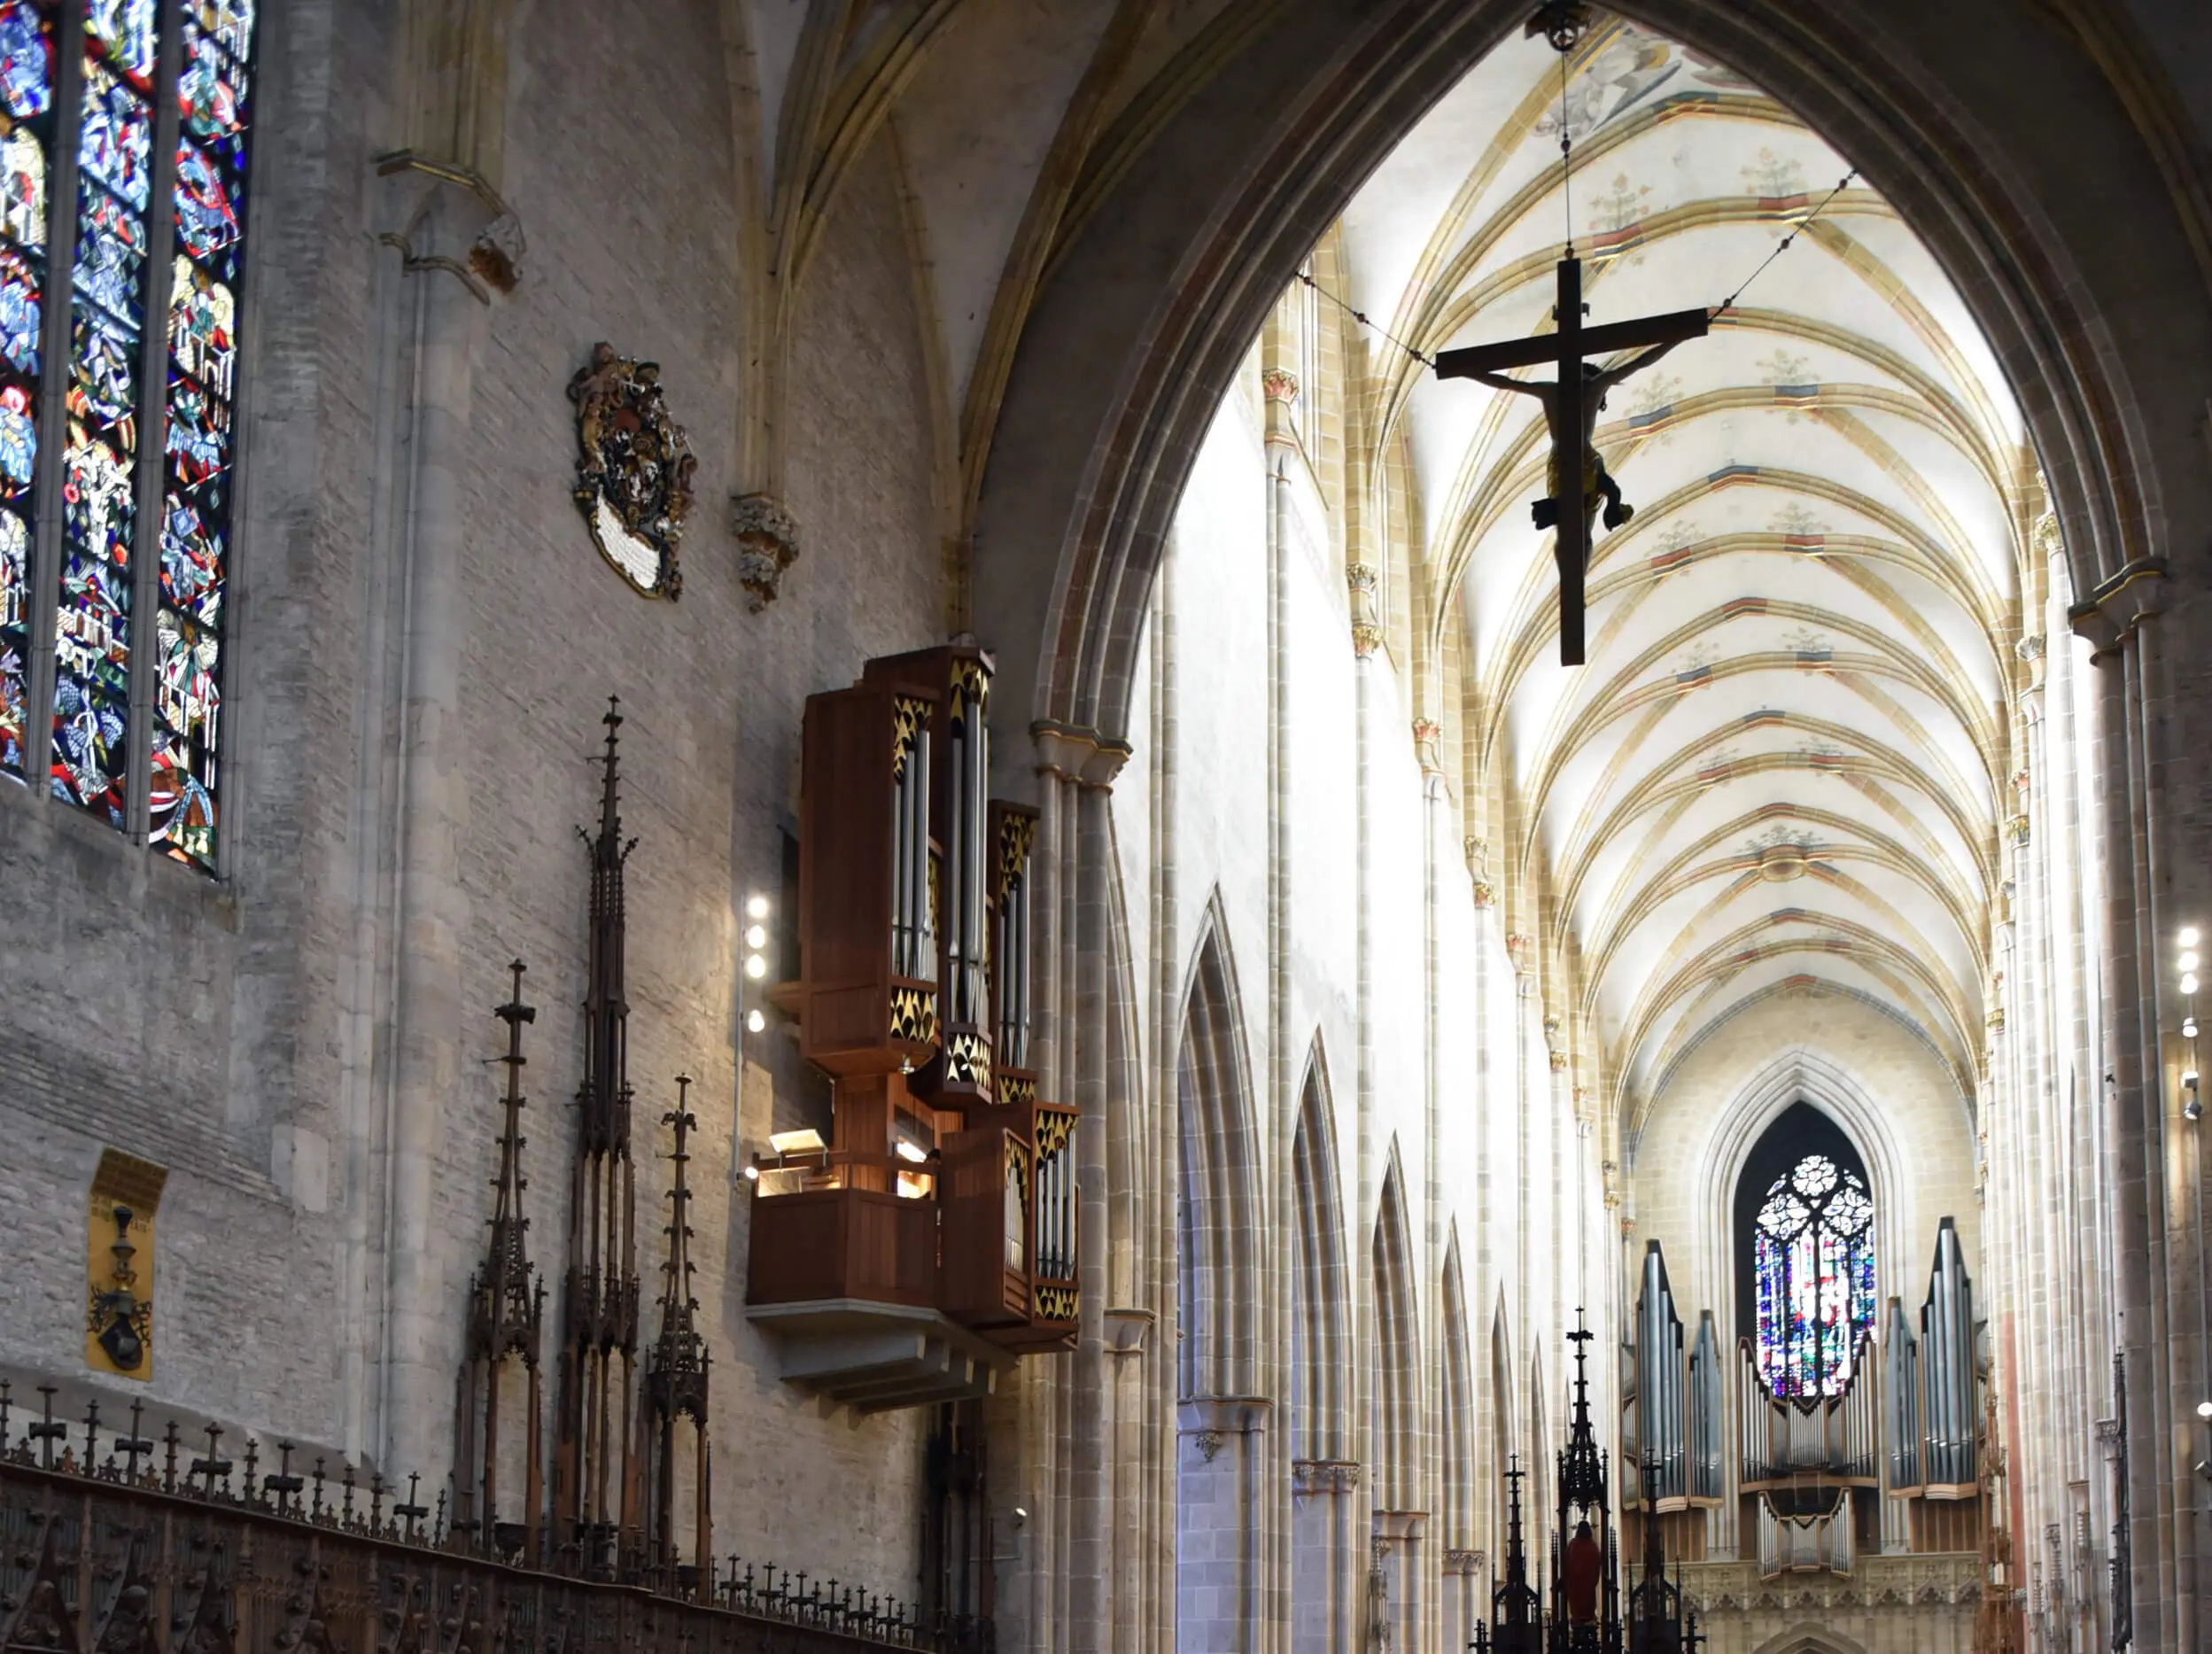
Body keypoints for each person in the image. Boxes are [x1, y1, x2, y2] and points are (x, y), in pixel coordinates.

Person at [1462, 339, 1686, 536]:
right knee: (1590, 519)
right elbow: (1640, 362)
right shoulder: (1596, 386)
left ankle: (1607, 511)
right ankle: (1610, 510)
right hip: (1584, 455)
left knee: (1570, 529)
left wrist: (1464, 370)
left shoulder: (1550, 390)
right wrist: (1679, 338)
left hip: (1558, 460)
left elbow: (1506, 383)